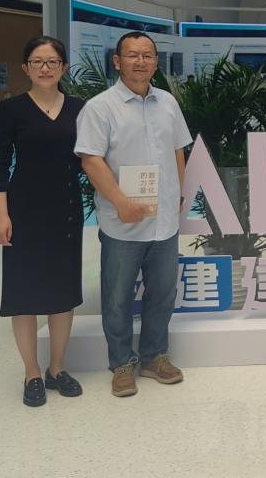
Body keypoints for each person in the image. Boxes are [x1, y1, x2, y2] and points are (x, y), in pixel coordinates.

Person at [75, 31, 192, 397]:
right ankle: (122, 363)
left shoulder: (168, 102)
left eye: (147, 55)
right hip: (122, 223)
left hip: (164, 223)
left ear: (156, 62)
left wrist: (178, 195)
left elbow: (178, 150)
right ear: (117, 61)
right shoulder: (100, 107)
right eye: (132, 55)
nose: (140, 61)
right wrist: (121, 202)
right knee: (117, 297)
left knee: (163, 293)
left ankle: (155, 357)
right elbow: (91, 160)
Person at [0, 36, 85, 407]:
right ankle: (31, 372)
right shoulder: (12, 109)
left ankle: (56, 368)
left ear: (63, 67)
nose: (45, 68)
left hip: (66, 210)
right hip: (24, 211)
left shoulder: (79, 108)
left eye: (52, 61)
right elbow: (0, 165)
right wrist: (2, 214)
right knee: (24, 294)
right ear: (25, 68)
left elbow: (92, 158)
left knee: (63, 293)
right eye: (37, 61)